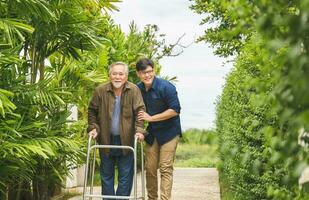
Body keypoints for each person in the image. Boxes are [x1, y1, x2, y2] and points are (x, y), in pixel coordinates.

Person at [87, 62, 146, 199]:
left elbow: (140, 111)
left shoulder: (134, 90)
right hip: (106, 138)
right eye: (114, 74)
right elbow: (92, 111)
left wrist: (139, 130)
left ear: (126, 76)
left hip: (126, 139)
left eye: (121, 74)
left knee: (125, 175)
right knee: (106, 175)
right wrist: (93, 127)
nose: (117, 77)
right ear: (109, 75)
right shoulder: (100, 90)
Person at [135, 58, 182, 200]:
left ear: (154, 71)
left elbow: (175, 110)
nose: (147, 75)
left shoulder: (167, 87)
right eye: (144, 73)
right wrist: (140, 131)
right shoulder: (137, 89)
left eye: (150, 72)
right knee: (150, 169)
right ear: (138, 74)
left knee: (165, 167)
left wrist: (151, 118)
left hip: (169, 132)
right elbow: (137, 112)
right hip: (153, 133)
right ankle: (152, 198)